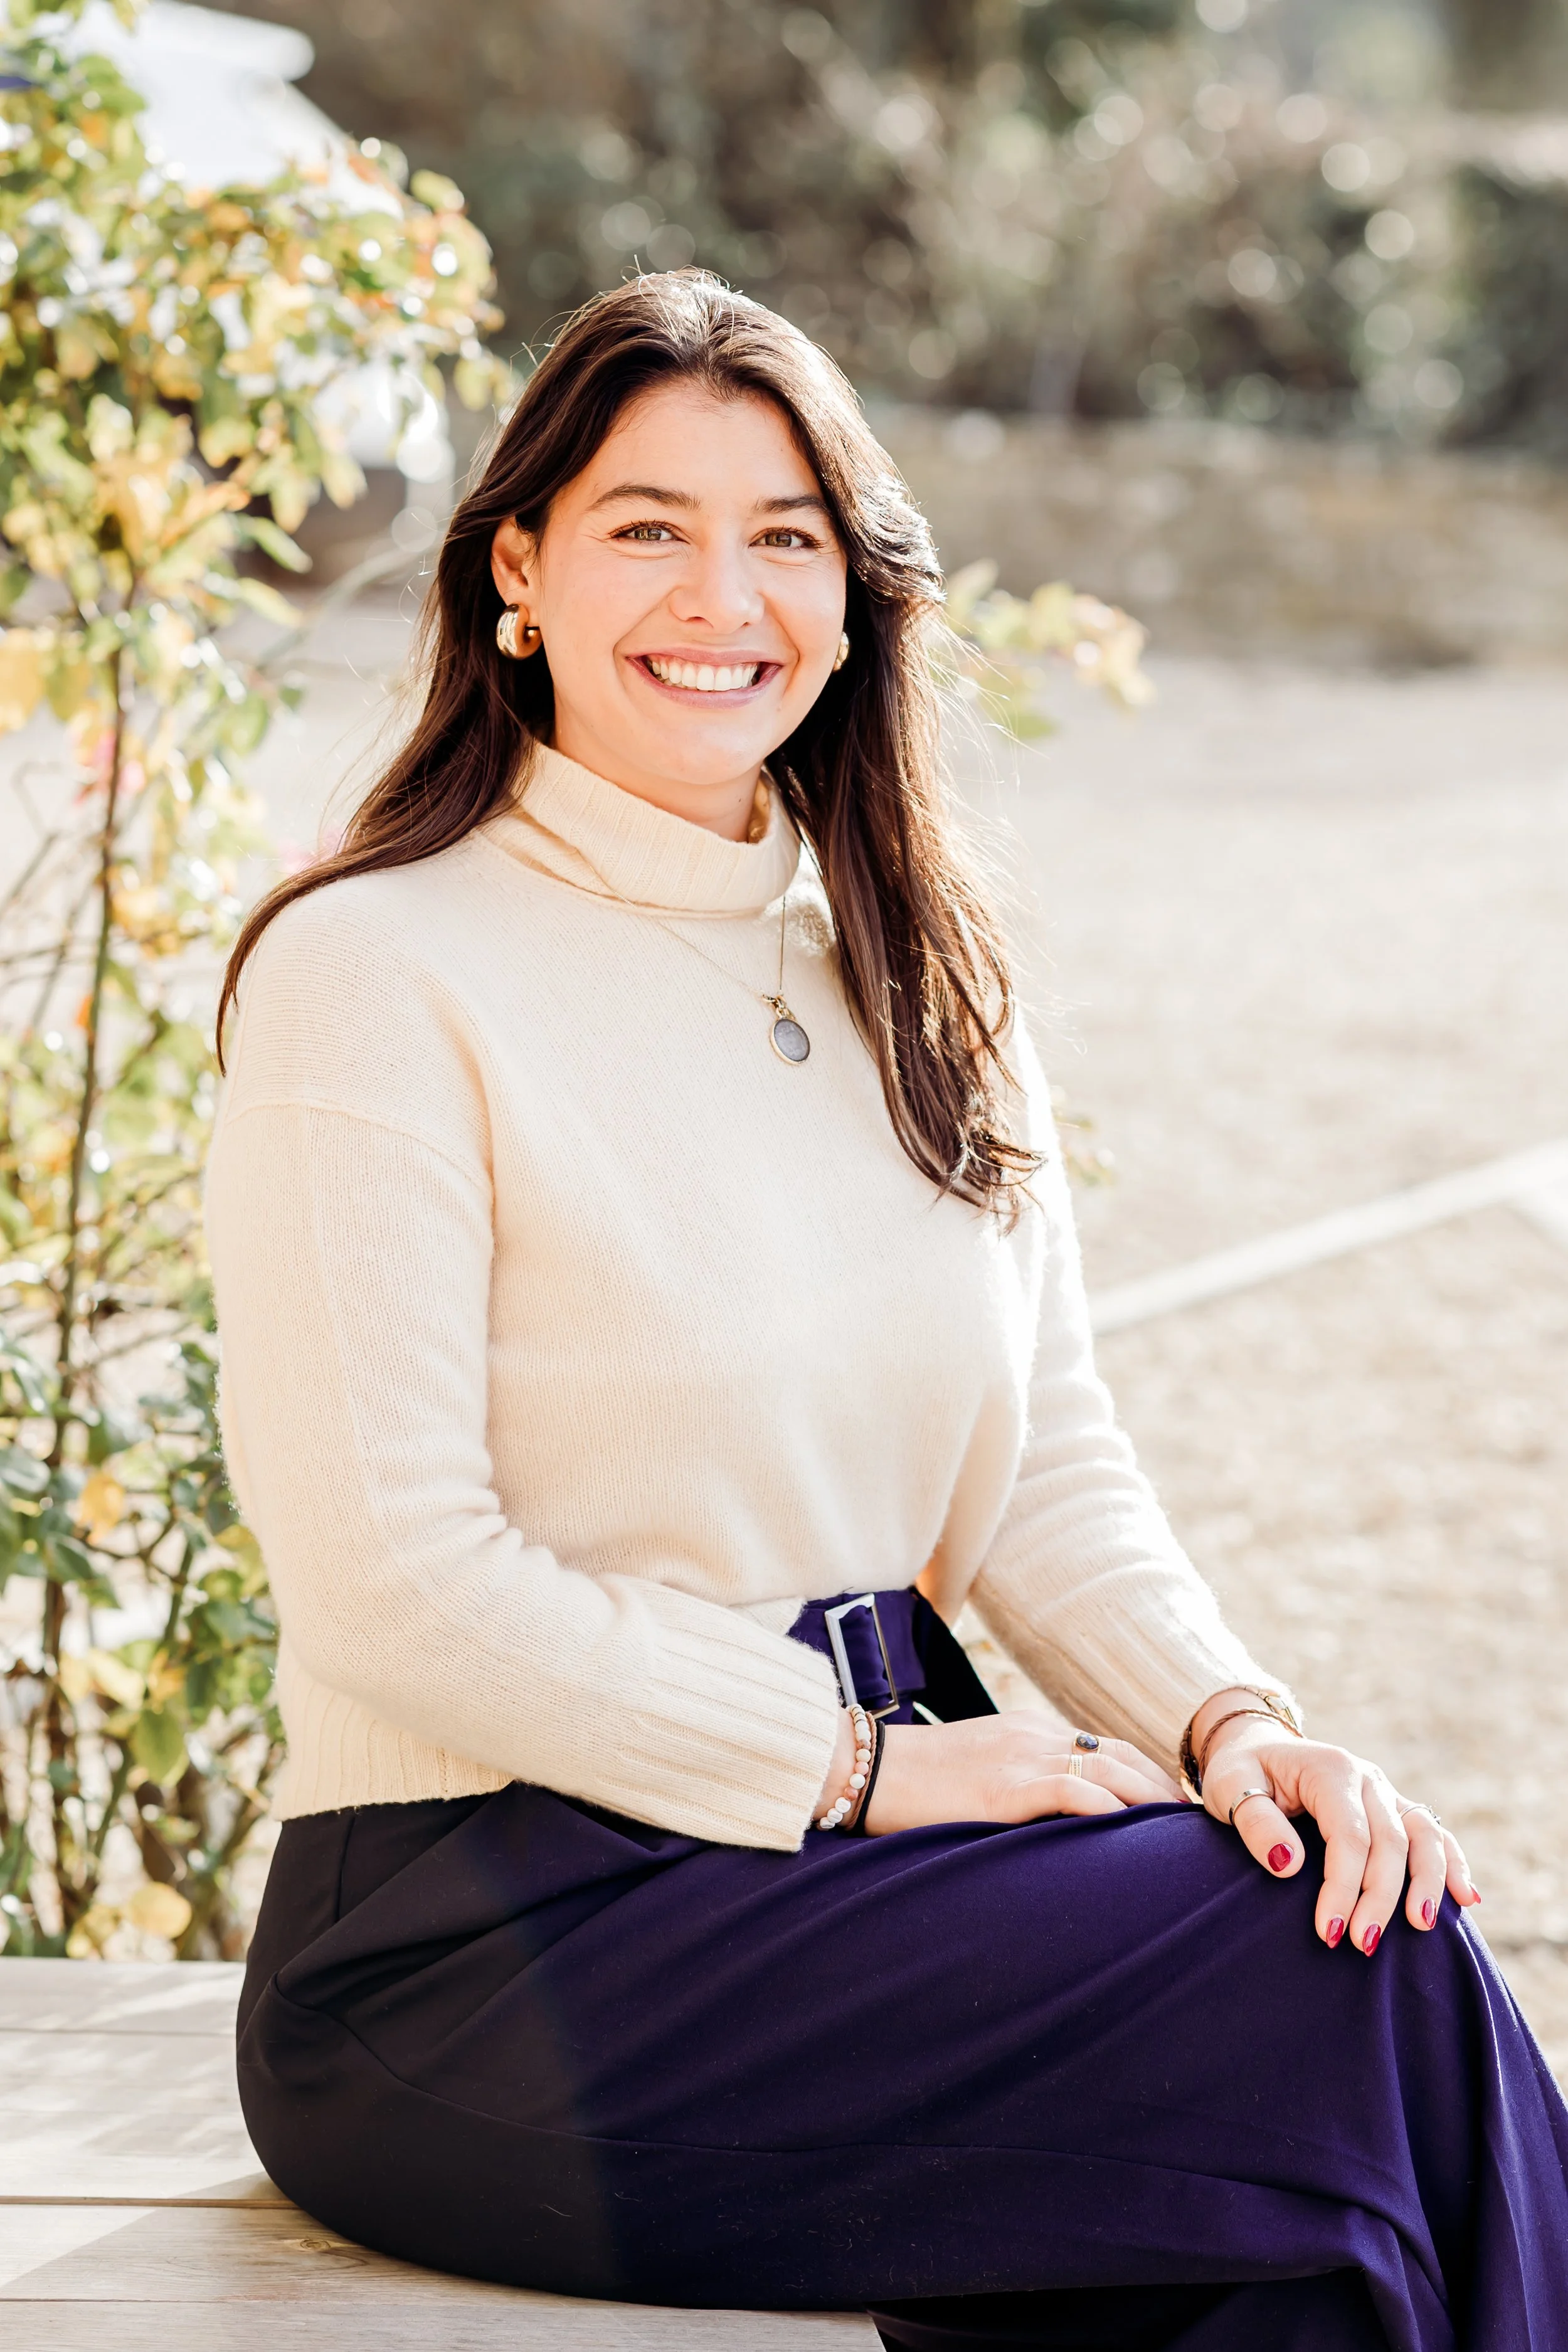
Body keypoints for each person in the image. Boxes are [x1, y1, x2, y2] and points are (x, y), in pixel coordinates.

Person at [207, 271, 1568, 2351]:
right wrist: (856, 1769)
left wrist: (1236, 1722)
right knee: (1323, 1984)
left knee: (1346, 1949)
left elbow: (1045, 1465)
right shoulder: (374, 975)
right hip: (485, 1937)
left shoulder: (921, 979)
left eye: (785, 536)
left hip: (849, 1872)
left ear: (851, 595)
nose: (720, 594)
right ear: (517, 568)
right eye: (646, 527)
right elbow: (394, 1580)